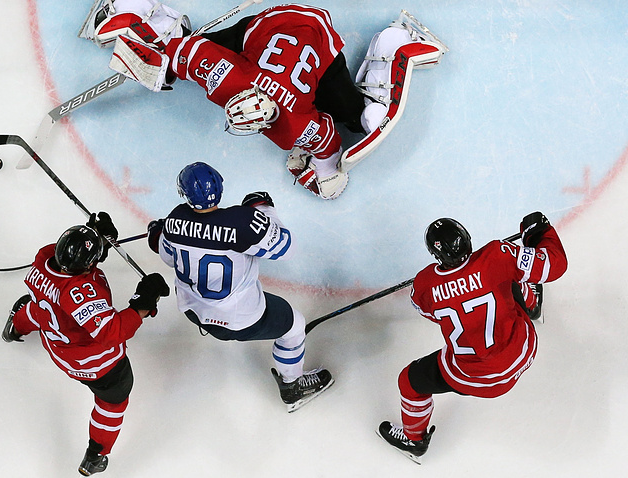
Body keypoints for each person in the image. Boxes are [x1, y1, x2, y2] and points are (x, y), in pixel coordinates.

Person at [79, 1, 448, 199]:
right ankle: (391, 44)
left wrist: (146, 52)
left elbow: (180, 51)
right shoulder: (289, 126)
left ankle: (393, 44)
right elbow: (329, 147)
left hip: (301, 32)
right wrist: (326, 176)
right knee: (354, 117)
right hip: (290, 28)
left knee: (357, 116)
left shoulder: (234, 82)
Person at [376, 213, 568, 463]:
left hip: (472, 378)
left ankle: (414, 440)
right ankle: (533, 305)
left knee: (409, 382)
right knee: (510, 275)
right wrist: (538, 233)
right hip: (521, 352)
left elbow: (426, 309)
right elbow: (555, 265)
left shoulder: (425, 284)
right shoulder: (497, 255)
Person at [145, 161, 333, 411]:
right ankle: (293, 386)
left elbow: (166, 254)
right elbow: (286, 247)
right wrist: (265, 210)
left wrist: (156, 232)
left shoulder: (174, 221)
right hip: (242, 319)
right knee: (294, 327)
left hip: (195, 312)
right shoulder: (243, 222)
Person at [1, 212, 170, 476]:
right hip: (98, 365)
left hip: (55, 342)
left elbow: (72, 262)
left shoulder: (43, 260)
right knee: (112, 404)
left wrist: (95, 239)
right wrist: (143, 302)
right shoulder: (79, 294)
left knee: (36, 310)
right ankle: (96, 455)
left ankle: (15, 327)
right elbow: (112, 331)